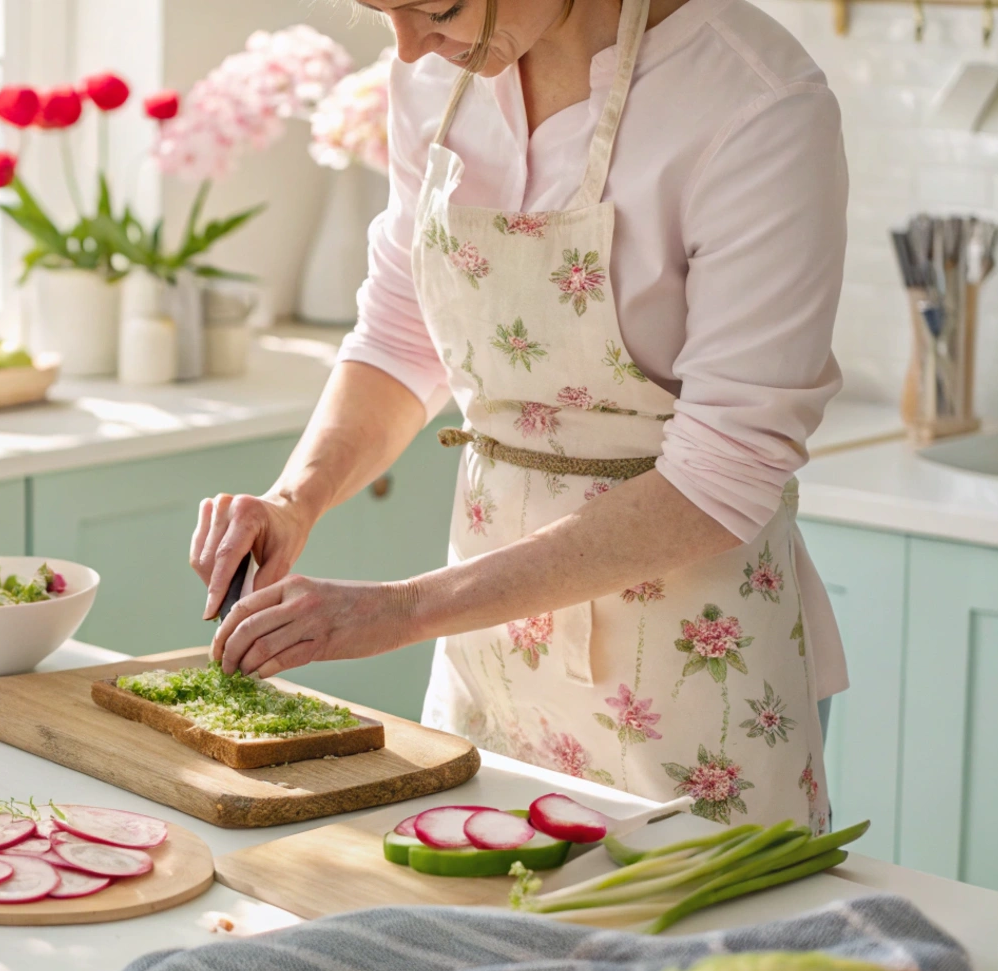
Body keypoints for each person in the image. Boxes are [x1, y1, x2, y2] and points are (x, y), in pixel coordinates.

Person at [194, 0, 845, 831]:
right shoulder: (435, 77)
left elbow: (724, 473)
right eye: (380, 11)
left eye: (438, 8)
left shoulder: (755, 102)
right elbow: (402, 333)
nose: (408, 47)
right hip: (487, 648)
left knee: (686, 913)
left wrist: (403, 609)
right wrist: (297, 498)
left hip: (689, 666)